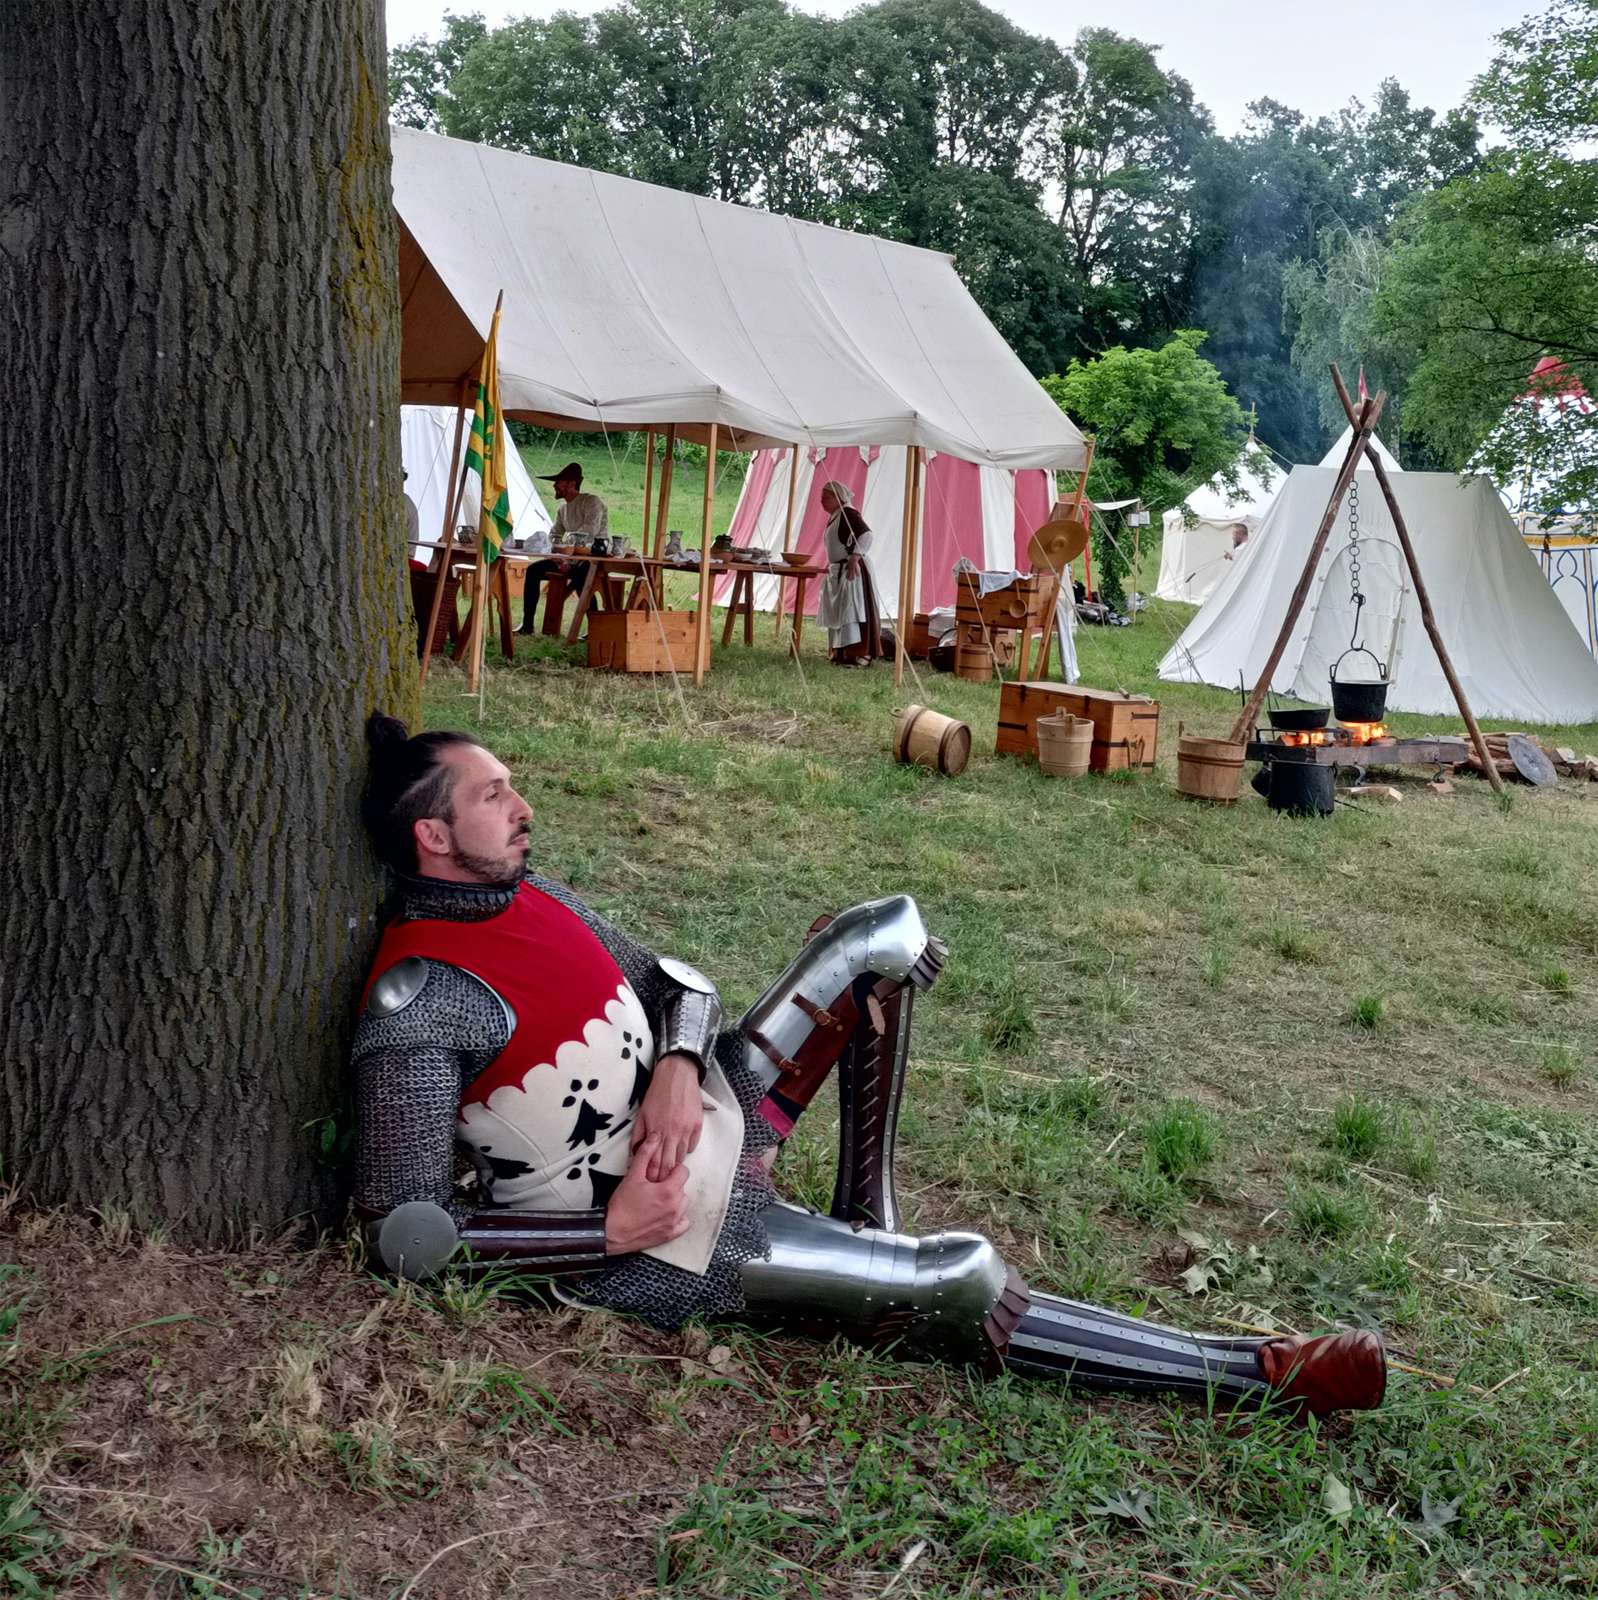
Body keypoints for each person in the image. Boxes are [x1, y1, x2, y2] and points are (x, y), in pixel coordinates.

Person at [349, 717, 1386, 1416]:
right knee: (961, 1274)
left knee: (874, 938)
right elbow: (403, 1233)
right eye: (494, 797)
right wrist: (606, 1230)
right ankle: (1252, 1373)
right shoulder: (417, 994)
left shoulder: (530, 890)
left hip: (706, 1108)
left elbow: (680, 983)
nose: (522, 805)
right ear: (434, 835)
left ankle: (864, 1207)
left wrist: (674, 1063)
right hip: (664, 1234)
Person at [518, 462, 610, 636]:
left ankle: (595, 629)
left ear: (572, 484)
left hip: (595, 556)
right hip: (570, 558)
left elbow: (589, 531)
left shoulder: (591, 501)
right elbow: (554, 535)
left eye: (559, 481)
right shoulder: (562, 509)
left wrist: (566, 555)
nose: (554, 486)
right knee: (532, 571)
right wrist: (559, 559)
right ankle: (527, 625)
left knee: (584, 577)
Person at [814, 481, 886, 666]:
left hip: (852, 572)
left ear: (839, 497)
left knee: (854, 611)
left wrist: (855, 557)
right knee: (841, 612)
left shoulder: (848, 513)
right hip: (840, 570)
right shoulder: (837, 516)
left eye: (826, 497)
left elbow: (866, 535)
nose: (822, 501)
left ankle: (861, 654)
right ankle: (843, 652)